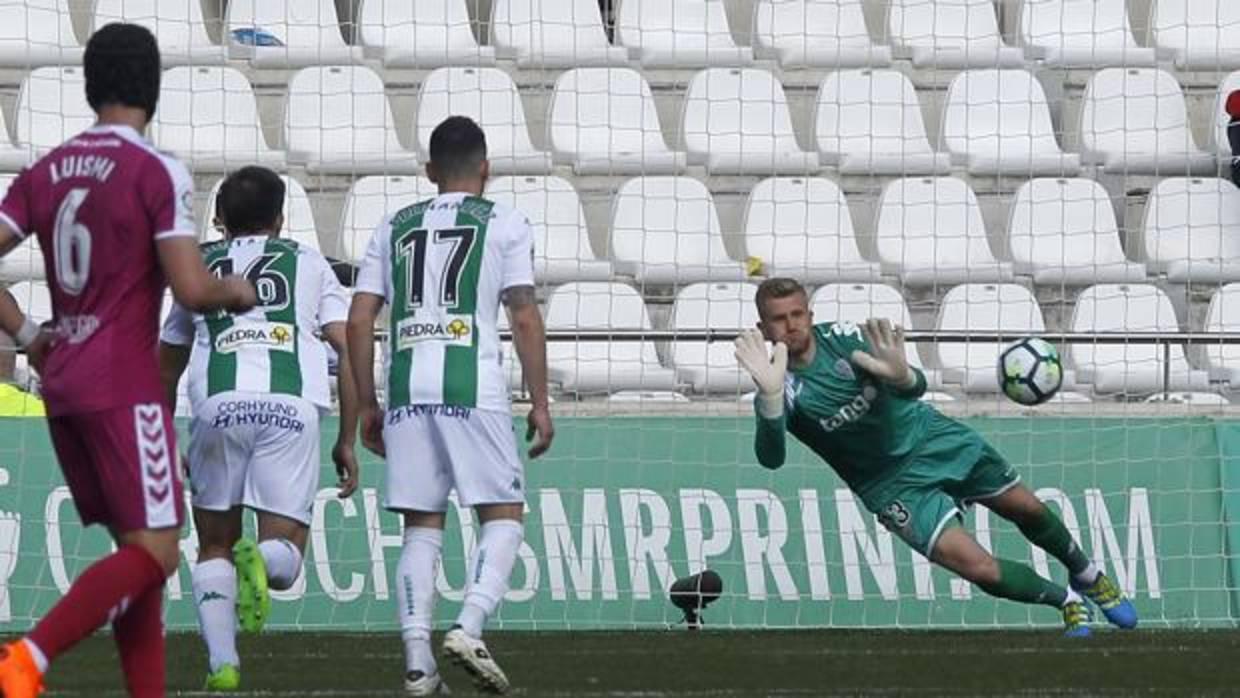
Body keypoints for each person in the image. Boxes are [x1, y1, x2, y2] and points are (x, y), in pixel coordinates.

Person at [0, 23, 257, 698]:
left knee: (139, 556)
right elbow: (193, 290)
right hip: (124, 386)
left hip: (62, 381)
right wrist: (238, 289)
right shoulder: (155, 169)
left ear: (89, 86)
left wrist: (28, 334)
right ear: (154, 87)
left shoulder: (47, 168)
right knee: (159, 552)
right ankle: (28, 656)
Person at [734, 278, 1138, 637]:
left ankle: (1087, 575)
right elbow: (771, 459)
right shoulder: (777, 384)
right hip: (890, 486)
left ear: (810, 313)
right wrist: (769, 401)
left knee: (1028, 509)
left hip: (931, 439)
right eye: (779, 319)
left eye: (798, 314)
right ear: (763, 328)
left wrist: (903, 376)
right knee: (979, 569)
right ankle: (1065, 600)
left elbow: (915, 388)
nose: (791, 325)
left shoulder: (843, 339)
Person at [347, 115, 553, 696]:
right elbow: (522, 314)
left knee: (420, 527)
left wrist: (368, 404)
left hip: (407, 387)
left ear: (430, 171)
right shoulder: (506, 221)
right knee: (504, 513)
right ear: (485, 168)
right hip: (473, 385)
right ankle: (470, 626)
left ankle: (418, 665)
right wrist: (539, 401)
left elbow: (361, 318)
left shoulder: (393, 224)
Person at [158, 166, 360, 691]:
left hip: (218, 406)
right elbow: (347, 345)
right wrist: (348, 435)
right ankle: (263, 557)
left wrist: (161, 434)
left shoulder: (198, 266)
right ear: (280, 218)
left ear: (219, 220)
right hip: (289, 408)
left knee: (213, 546)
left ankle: (222, 664)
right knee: (286, 562)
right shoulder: (311, 262)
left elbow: (168, 360)